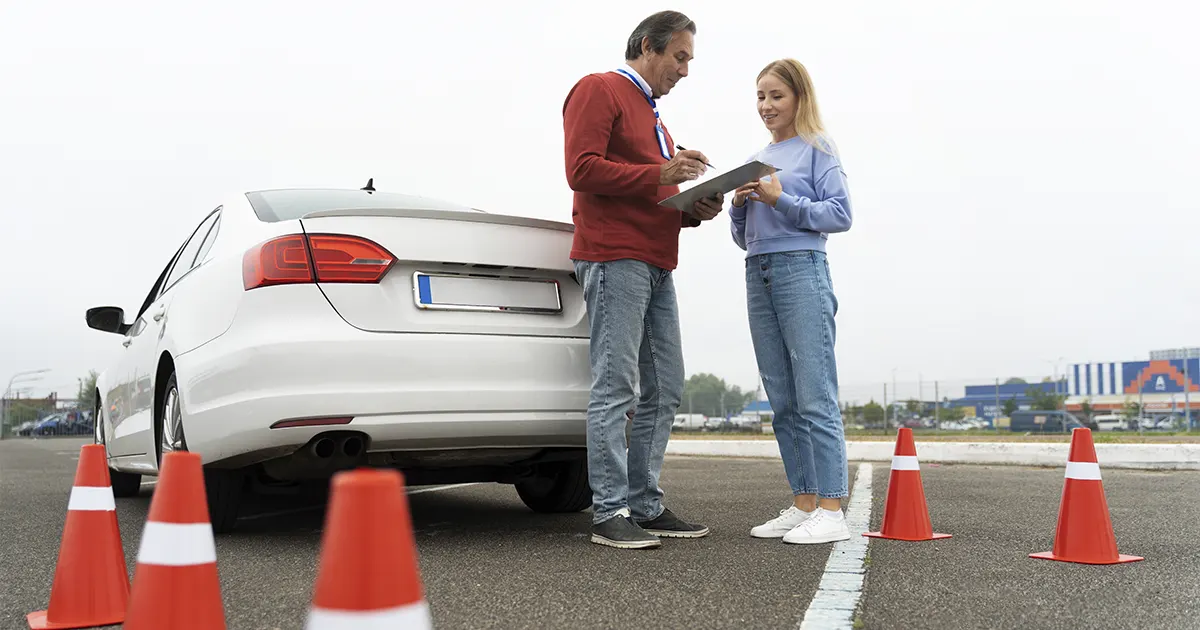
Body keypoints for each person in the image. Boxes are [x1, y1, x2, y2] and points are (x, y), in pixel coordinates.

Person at [562, 10, 723, 550]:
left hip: (655, 261)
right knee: (616, 387)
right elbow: (581, 169)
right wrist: (663, 172)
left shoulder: (656, 119)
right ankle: (609, 511)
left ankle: (644, 504)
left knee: (666, 387)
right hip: (614, 258)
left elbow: (650, 192)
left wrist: (693, 207)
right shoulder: (599, 88)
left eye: (688, 60)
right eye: (679, 57)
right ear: (647, 47)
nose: (684, 70)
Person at [728, 58, 855, 544]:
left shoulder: (819, 148)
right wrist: (739, 206)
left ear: (799, 97)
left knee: (813, 392)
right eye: (760, 96)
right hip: (757, 272)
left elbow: (840, 215)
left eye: (776, 96)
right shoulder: (757, 156)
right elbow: (745, 240)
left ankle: (831, 507)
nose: (766, 106)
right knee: (781, 398)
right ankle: (804, 501)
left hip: (802, 270)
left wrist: (780, 199)